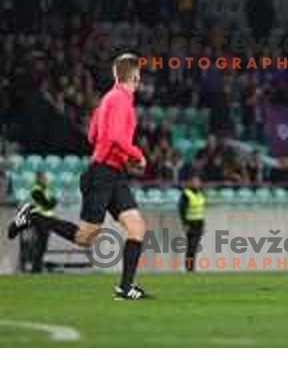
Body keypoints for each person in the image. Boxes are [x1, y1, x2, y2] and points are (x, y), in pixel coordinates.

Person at [7, 53, 149, 300]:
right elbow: (114, 138)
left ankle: (126, 288)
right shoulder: (120, 100)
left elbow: (94, 136)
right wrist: (137, 155)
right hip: (102, 174)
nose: (140, 79)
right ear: (134, 75)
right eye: (139, 75)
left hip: (112, 172)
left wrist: (122, 157)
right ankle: (31, 216)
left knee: (136, 227)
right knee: (86, 237)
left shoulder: (108, 100)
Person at [28, 171, 58, 273]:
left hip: (46, 220)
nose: (46, 180)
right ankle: (35, 268)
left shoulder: (45, 190)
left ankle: (37, 267)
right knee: (40, 244)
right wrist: (53, 202)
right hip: (39, 220)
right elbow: (47, 204)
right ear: (39, 179)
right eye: (44, 178)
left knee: (42, 245)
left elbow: (50, 205)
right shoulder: (36, 190)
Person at [178, 175, 206, 272]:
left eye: (198, 182)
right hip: (190, 223)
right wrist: (185, 223)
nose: (197, 184)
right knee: (191, 247)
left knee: (194, 247)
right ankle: (189, 268)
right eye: (194, 182)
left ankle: (191, 267)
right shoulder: (186, 194)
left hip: (199, 223)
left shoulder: (200, 193)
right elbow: (182, 209)